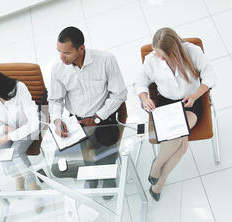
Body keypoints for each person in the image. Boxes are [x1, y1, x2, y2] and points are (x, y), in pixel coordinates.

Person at [134, 27, 216, 201]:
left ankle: (157, 169)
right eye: (158, 55)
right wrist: (144, 98)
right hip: (166, 102)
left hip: (190, 102)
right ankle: (159, 179)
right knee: (181, 145)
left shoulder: (193, 52)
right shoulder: (152, 59)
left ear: (176, 51)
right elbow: (139, 83)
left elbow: (210, 77)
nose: (160, 59)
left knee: (179, 133)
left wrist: (194, 96)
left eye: (164, 55)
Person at [48, 26, 128, 200]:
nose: (61, 58)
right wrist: (56, 120)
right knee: (68, 159)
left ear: (81, 48)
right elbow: (55, 100)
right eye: (59, 52)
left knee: (104, 147)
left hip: (102, 117)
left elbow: (120, 93)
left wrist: (98, 117)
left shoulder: (106, 60)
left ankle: (106, 175)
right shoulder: (58, 68)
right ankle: (91, 173)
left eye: (67, 53)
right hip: (76, 120)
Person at [0, 69, 44, 213]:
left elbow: (33, 123)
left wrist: (7, 137)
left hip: (28, 128)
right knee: (0, 151)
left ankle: (33, 187)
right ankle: (18, 178)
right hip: (7, 127)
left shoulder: (20, 89)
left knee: (17, 153)